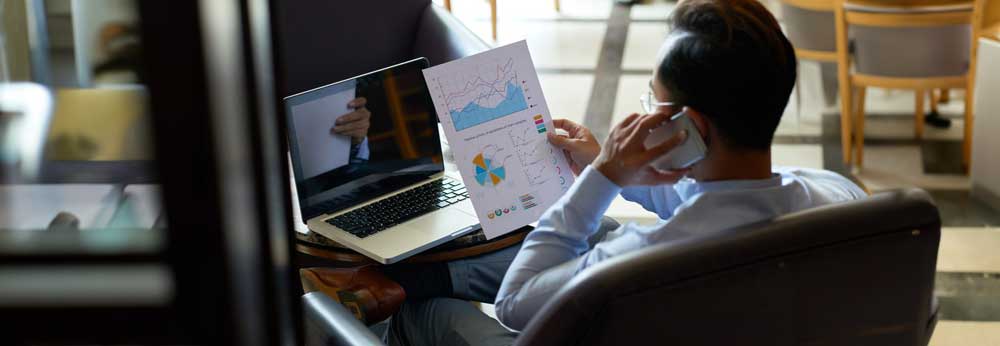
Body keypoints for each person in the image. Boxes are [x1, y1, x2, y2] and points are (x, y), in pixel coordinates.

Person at [382, 0, 868, 344]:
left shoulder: (638, 260)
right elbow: (725, 204)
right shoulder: (838, 197)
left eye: (654, 102)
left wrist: (602, 178)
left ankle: (407, 294)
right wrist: (605, 163)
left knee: (429, 317)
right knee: (604, 227)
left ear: (690, 125)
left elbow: (514, 304)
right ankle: (437, 276)